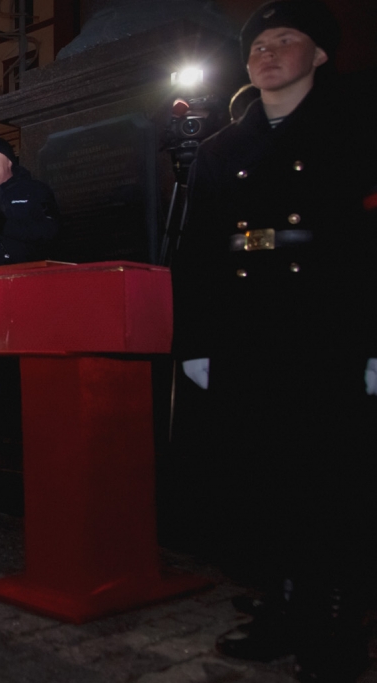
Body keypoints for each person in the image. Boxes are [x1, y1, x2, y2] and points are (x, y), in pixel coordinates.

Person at [171, 1, 377, 678]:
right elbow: (197, 251)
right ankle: (283, 606)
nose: (268, 50)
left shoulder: (355, 127)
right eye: (258, 43)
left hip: (328, 326)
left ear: (319, 55)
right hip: (246, 332)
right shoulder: (221, 149)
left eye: (286, 39)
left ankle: (338, 626)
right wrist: (194, 343)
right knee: (262, 482)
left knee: (335, 484)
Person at [0, 136, 60, 266]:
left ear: (9, 161)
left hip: (32, 272)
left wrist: (3, 226)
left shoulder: (35, 190)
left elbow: (50, 231)